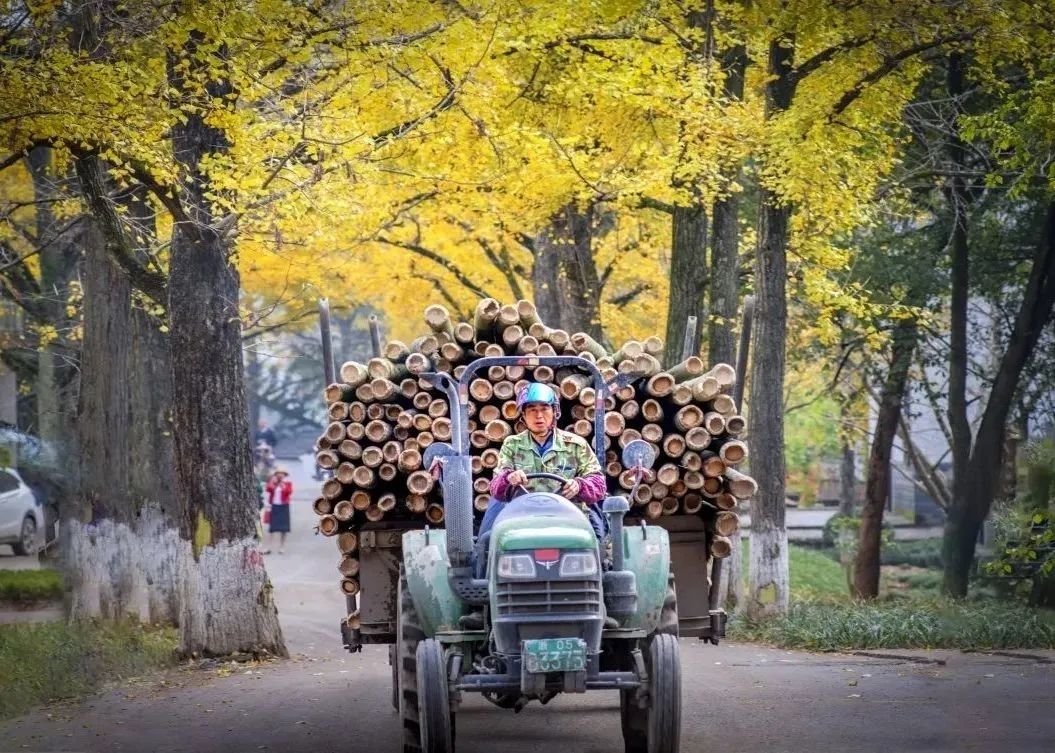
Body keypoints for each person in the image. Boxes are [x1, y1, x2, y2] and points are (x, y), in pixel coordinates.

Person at [476, 382, 608, 569]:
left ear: (555, 412)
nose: (538, 416)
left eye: (544, 409)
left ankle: (601, 578)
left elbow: (598, 485)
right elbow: (496, 487)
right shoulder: (512, 445)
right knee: (486, 543)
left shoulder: (576, 444)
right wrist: (509, 478)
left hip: (570, 514)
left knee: (596, 544)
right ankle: (482, 580)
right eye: (531, 410)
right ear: (523, 415)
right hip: (521, 515)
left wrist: (579, 485)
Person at [262, 467, 293, 554]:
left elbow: (289, 492)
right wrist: (273, 481)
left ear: (284, 475)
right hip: (274, 506)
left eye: (282, 473)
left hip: (284, 506)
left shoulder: (287, 483)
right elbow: (268, 489)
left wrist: (282, 485)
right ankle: (268, 547)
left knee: (284, 529)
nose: (280, 475)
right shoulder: (273, 483)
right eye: (278, 473)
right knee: (272, 528)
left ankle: (282, 547)